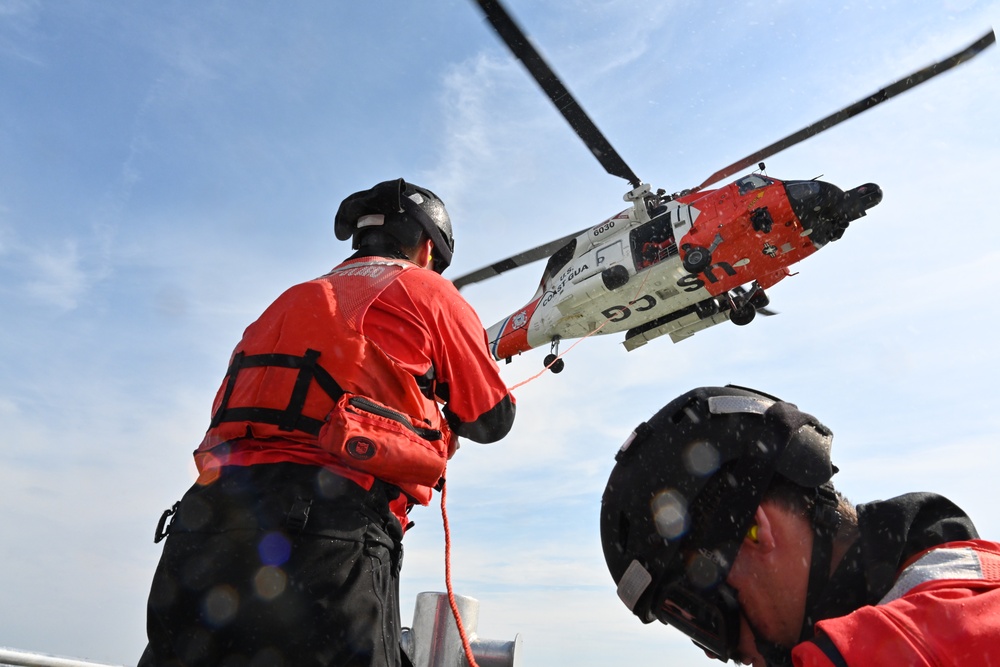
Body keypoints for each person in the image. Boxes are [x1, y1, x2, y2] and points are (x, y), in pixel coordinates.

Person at [139, 178, 516, 667]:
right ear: (427, 248)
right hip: (327, 536)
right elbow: (492, 418)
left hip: (204, 526)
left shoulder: (289, 300)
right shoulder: (429, 292)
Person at [600, 385, 1000, 666]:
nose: (715, 654)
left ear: (754, 530)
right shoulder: (970, 591)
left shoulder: (890, 652)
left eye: (703, 619)